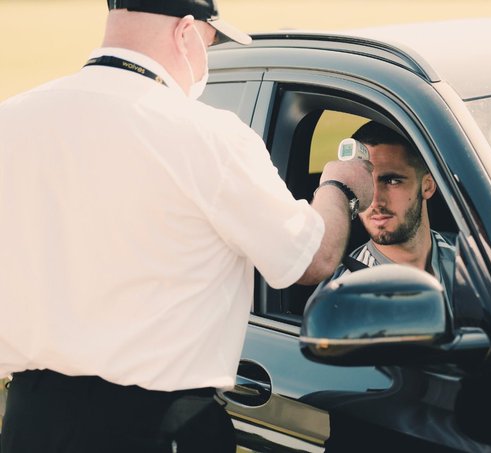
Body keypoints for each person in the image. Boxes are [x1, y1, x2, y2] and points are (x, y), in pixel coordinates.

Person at [0, 1, 372, 452]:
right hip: (156, 427)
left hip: (30, 422)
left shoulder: (11, 122)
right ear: (186, 33)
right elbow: (311, 259)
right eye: (210, 45)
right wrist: (340, 187)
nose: (205, 62)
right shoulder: (208, 136)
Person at [323, 121, 455, 301]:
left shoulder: (473, 261)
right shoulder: (346, 293)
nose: (375, 201)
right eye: (365, 184)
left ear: (427, 186)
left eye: (392, 181)